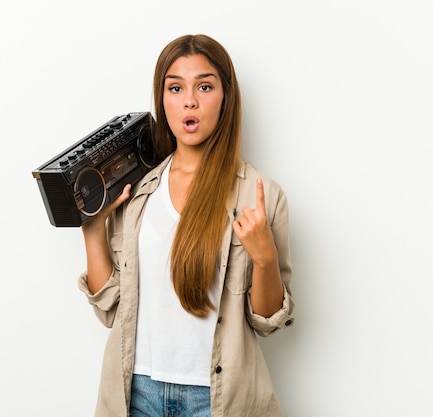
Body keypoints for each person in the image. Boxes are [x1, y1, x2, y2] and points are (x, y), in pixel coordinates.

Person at [78, 34, 294, 417]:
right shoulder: (137, 192)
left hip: (215, 399)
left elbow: (266, 322)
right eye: (175, 87)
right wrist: (93, 232)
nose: (189, 100)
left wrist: (264, 258)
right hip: (135, 392)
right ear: (162, 100)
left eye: (205, 86)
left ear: (226, 97)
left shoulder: (260, 195)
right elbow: (112, 310)